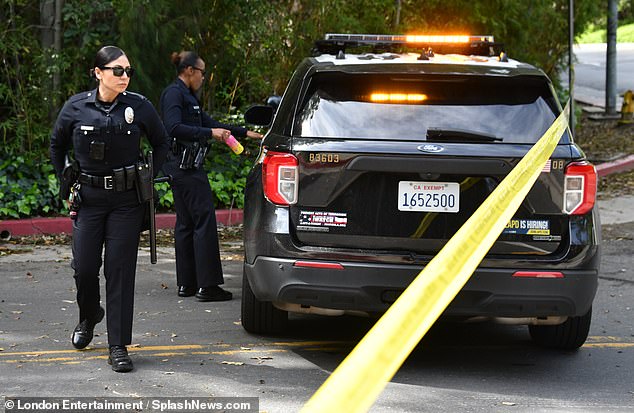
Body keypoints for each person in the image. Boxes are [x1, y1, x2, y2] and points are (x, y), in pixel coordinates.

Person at [50, 46, 170, 372]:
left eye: (128, 70)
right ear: (98, 72)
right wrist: (63, 175)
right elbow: (56, 143)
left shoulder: (139, 106)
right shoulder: (76, 106)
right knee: (85, 268)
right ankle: (89, 315)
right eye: (118, 70)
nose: (125, 76)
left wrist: (147, 176)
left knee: (119, 271)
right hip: (88, 200)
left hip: (125, 203)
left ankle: (118, 345)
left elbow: (162, 142)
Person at [159, 51, 262, 302]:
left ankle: (188, 284)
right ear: (190, 70)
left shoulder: (188, 97)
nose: (204, 78)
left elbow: (209, 122)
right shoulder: (174, 93)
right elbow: (173, 127)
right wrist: (209, 134)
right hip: (184, 167)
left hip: (186, 167)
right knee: (203, 220)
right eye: (203, 72)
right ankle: (208, 286)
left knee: (186, 223)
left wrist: (244, 133)